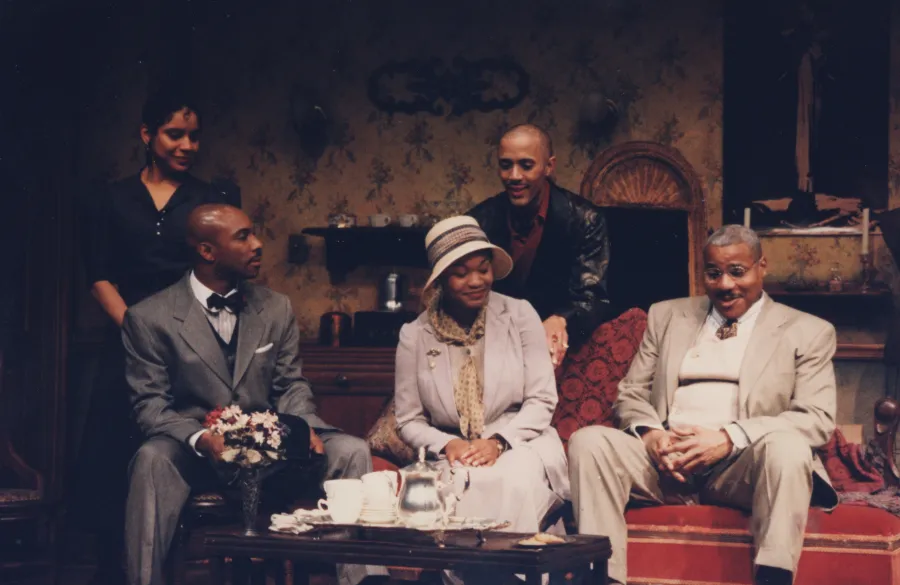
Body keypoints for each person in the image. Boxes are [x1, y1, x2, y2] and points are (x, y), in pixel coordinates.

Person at [122, 204, 385, 585]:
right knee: (151, 459)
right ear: (207, 251)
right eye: (243, 236)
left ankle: (363, 580)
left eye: (254, 233)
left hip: (272, 454)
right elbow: (150, 406)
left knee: (352, 450)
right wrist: (201, 439)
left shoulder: (276, 307)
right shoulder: (148, 318)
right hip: (195, 456)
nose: (258, 244)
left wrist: (302, 426)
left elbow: (290, 384)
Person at [568, 225, 838, 585]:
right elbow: (631, 392)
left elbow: (816, 419)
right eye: (714, 273)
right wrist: (650, 436)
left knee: (787, 447)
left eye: (737, 272)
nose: (725, 285)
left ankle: (773, 577)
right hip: (666, 464)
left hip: (741, 468)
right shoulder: (666, 316)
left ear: (762, 267)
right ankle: (604, 578)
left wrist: (728, 437)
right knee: (589, 442)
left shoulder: (808, 330)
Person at [74, 90, 240, 584]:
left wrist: (179, 338)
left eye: (194, 135)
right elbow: (99, 275)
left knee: (181, 449)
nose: (187, 144)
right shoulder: (111, 198)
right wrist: (139, 332)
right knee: (113, 462)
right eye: (175, 134)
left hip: (195, 342)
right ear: (147, 135)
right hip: (126, 340)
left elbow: (221, 273)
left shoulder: (213, 198)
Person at [394, 216, 569, 585]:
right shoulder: (415, 335)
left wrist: (498, 442)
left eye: (483, 269)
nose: (476, 281)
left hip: (521, 438)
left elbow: (541, 399)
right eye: (460, 273)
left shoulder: (519, 314)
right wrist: (449, 444)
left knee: (513, 479)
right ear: (440, 279)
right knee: (464, 482)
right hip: (452, 449)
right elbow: (408, 420)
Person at [467, 123, 611, 367]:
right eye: (505, 165)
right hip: (494, 348)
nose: (514, 176)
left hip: (558, 348)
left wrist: (562, 318)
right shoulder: (479, 220)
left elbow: (593, 298)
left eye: (526, 165)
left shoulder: (586, 220)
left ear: (549, 166)